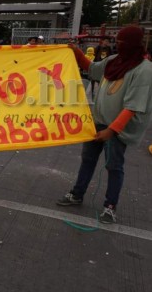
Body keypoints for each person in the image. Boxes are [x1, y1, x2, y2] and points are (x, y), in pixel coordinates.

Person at [57, 26, 152, 224]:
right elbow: (91, 69)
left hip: (118, 130)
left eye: (124, 43)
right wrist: (75, 52)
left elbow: (133, 107)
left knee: (114, 166)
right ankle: (77, 193)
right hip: (98, 122)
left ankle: (110, 207)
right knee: (87, 160)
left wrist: (111, 130)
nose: (119, 45)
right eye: (119, 41)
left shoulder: (144, 70)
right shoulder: (113, 61)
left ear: (135, 45)